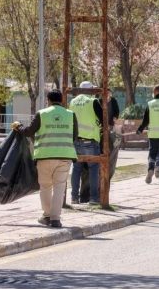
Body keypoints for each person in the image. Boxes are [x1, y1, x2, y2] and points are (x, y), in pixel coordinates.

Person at [12, 89, 77, 228]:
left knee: (45, 187)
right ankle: (56, 219)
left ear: (48, 100)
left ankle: (47, 216)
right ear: (62, 100)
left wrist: (19, 127)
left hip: (44, 156)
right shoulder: (71, 115)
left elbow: (29, 131)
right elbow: (75, 136)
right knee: (60, 188)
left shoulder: (42, 114)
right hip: (65, 156)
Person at [69, 81, 103, 205]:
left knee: (76, 169)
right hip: (90, 140)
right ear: (89, 90)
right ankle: (94, 198)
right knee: (94, 169)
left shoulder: (73, 101)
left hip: (76, 140)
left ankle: (74, 198)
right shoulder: (93, 101)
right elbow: (102, 118)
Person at [137, 84, 159, 185]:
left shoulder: (150, 103)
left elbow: (146, 120)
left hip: (153, 134)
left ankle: (150, 169)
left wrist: (140, 129)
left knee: (152, 154)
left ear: (155, 93)